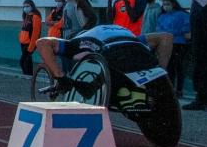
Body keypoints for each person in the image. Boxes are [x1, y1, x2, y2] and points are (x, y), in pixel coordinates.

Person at [33, 24, 173, 101]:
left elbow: (41, 43)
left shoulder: (77, 41)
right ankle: (157, 79)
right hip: (138, 50)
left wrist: (60, 76)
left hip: (110, 55)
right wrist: (161, 72)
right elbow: (166, 37)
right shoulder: (118, 31)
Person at [156, 0, 191, 98]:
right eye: (164, 4)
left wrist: (170, 32)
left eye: (168, 4)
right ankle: (171, 89)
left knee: (178, 67)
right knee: (169, 67)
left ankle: (179, 90)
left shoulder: (182, 15)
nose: (166, 6)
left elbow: (186, 28)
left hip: (178, 43)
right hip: (166, 43)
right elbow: (158, 29)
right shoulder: (162, 16)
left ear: (173, 4)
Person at [18, 0, 42, 75]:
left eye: (27, 6)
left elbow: (36, 33)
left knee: (23, 61)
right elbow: (23, 30)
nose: (25, 8)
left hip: (29, 43)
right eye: (24, 6)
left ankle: (28, 75)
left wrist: (31, 47)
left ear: (32, 6)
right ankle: (29, 76)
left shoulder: (35, 17)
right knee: (27, 61)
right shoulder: (26, 16)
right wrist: (20, 38)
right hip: (23, 42)